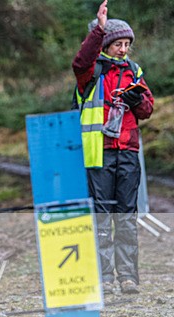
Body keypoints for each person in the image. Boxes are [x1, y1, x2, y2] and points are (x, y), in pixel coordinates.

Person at [73, 0, 154, 295]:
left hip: (129, 153)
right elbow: (80, 61)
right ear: (106, 45)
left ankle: (128, 277)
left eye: (126, 44)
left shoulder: (134, 70)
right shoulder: (91, 72)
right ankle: (104, 278)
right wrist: (99, 30)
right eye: (117, 43)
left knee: (127, 218)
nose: (122, 49)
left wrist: (138, 102)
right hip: (99, 153)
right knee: (102, 218)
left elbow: (147, 109)